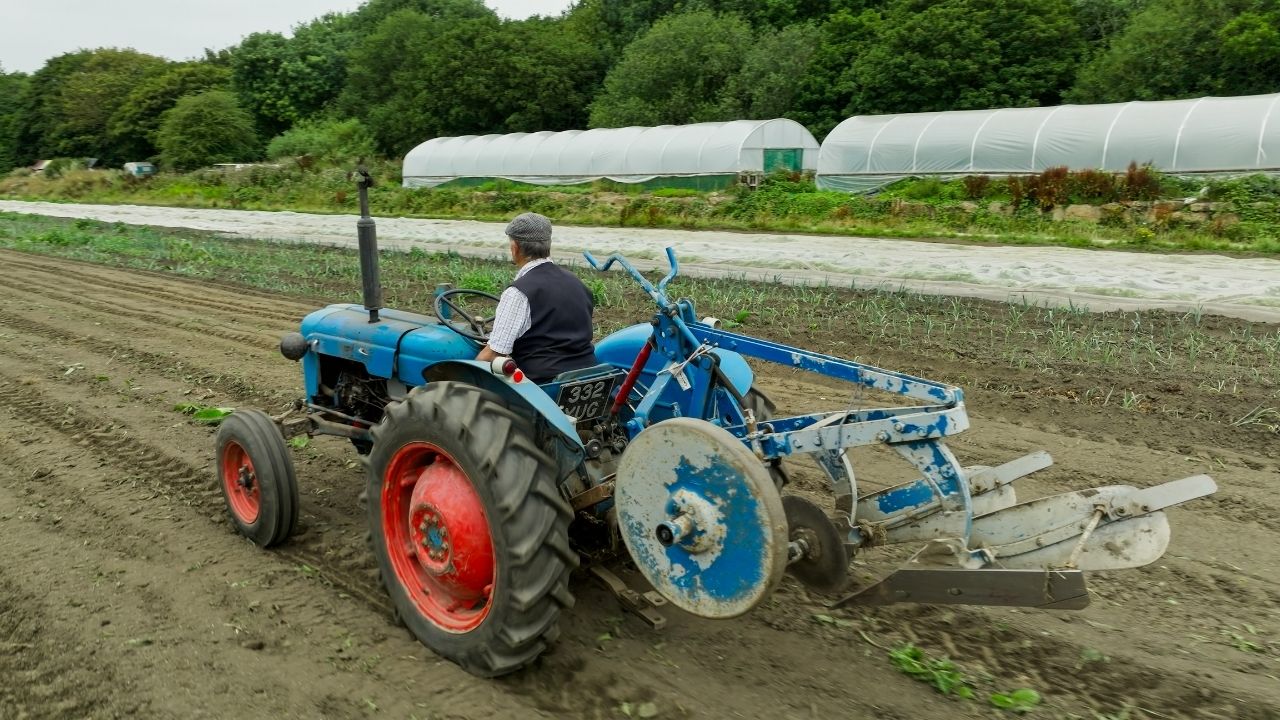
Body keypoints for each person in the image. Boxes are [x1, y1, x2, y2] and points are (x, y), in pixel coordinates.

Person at [476, 212, 599, 383]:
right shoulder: (578, 284)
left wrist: (465, 377)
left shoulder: (518, 293)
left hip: (542, 382)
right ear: (548, 245)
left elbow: (494, 353)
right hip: (588, 374)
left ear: (515, 248)